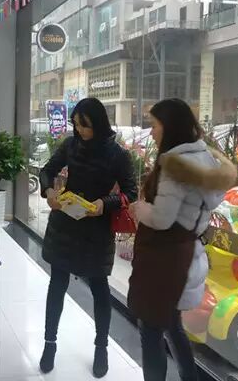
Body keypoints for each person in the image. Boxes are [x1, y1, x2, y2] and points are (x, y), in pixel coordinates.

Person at [128, 99, 236, 381]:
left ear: (170, 126)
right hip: (188, 253)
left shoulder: (175, 165)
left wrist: (140, 209)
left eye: (154, 125)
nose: (151, 132)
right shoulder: (205, 158)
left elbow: (162, 218)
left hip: (164, 260)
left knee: (151, 329)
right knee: (172, 324)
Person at [38, 98, 137, 378]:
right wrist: (49, 192)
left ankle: (101, 347)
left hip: (96, 229)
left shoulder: (117, 154)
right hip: (65, 224)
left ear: (99, 124)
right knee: (57, 284)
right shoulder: (71, 144)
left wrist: (104, 204)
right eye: (76, 124)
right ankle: (49, 343)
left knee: (99, 289)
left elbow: (131, 191)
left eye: (85, 125)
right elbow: (47, 171)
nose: (79, 130)